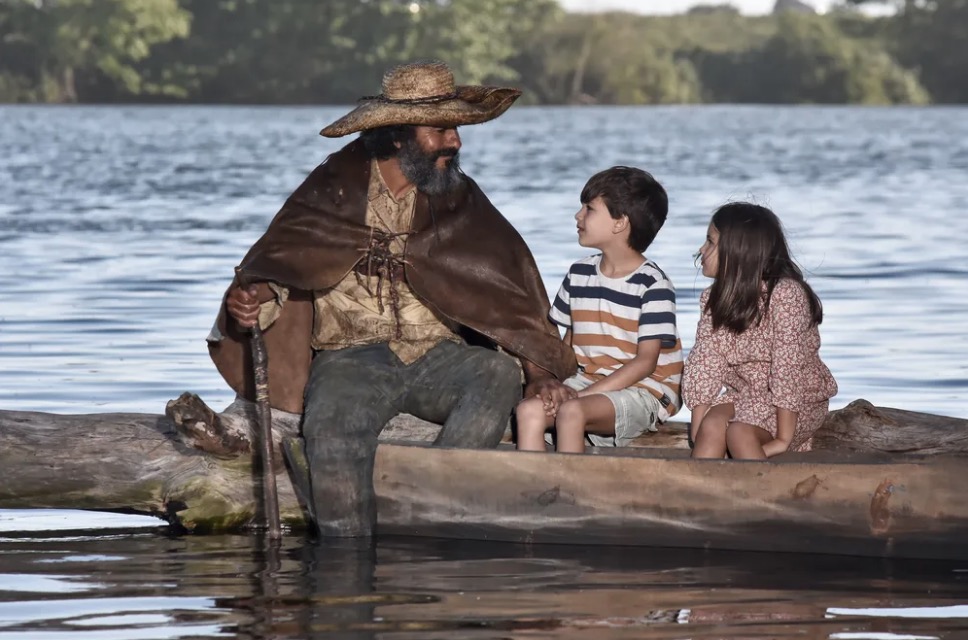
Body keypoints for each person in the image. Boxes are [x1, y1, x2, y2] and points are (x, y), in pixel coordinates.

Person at [207, 60, 576, 537]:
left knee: (495, 373)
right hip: (351, 358)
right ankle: (345, 567)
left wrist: (539, 373)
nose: (455, 142)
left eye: (456, 130)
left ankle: (434, 511)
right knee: (332, 434)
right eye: (440, 130)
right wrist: (254, 300)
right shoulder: (331, 192)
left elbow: (507, 287)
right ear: (398, 135)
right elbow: (283, 261)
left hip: (439, 356)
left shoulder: (458, 198)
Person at [515, 167, 683, 453]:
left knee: (571, 412)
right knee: (528, 411)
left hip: (644, 389)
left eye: (589, 208)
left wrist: (580, 396)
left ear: (620, 223)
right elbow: (567, 345)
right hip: (588, 381)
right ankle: (534, 490)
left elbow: (646, 363)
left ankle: (569, 494)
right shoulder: (579, 273)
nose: (578, 215)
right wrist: (554, 385)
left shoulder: (653, 284)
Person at [683, 202, 838, 459]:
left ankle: (759, 495)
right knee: (711, 426)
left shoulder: (785, 295)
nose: (702, 249)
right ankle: (704, 494)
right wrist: (698, 430)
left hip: (796, 403)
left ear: (738, 252)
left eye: (710, 242)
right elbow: (705, 362)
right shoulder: (713, 298)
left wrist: (783, 440)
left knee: (739, 433)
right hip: (745, 397)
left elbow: (786, 370)